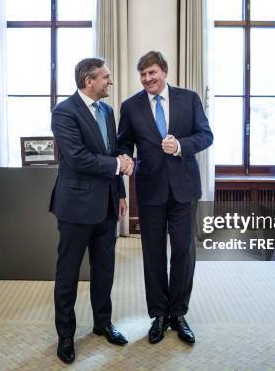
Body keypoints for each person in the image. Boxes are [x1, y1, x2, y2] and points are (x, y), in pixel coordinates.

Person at [117, 50, 213, 345]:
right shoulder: (130, 106)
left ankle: (178, 313)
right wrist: (125, 158)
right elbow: (123, 143)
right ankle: (158, 314)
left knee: (184, 252)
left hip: (184, 188)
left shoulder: (189, 98)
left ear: (165, 71)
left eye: (152, 73)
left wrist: (181, 145)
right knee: (154, 253)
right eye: (143, 75)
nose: (147, 79)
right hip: (149, 189)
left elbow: (206, 135)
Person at [49, 57, 133, 364]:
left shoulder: (108, 111)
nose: (110, 82)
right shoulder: (63, 112)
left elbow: (112, 153)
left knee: (104, 269)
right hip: (75, 206)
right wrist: (117, 166)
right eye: (106, 77)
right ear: (89, 81)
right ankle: (66, 336)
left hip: (108, 204)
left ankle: (102, 323)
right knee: (68, 273)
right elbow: (78, 157)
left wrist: (121, 192)